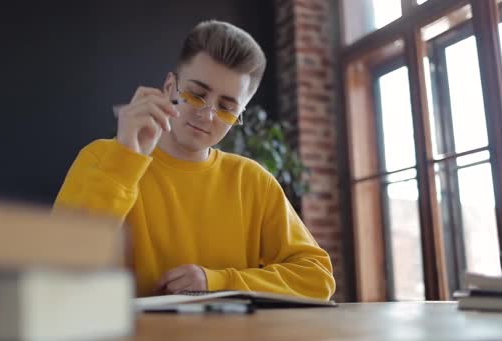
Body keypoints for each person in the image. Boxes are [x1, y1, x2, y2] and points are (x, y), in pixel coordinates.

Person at [54, 20, 336, 299]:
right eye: (197, 94)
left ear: (239, 115)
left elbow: (317, 279)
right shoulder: (101, 158)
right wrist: (125, 160)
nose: (207, 115)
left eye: (226, 107)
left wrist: (218, 281)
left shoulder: (252, 181)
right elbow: (55, 270)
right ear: (169, 87)